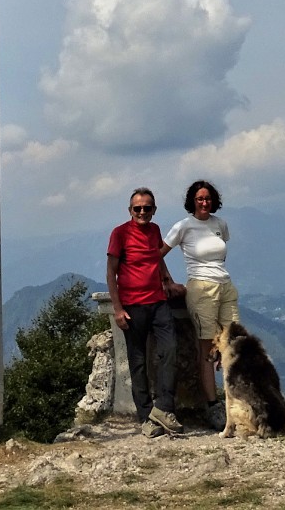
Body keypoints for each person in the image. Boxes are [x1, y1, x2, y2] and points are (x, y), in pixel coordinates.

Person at [106, 187, 187, 437]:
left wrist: (169, 281)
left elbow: (157, 258)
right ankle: (145, 419)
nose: (142, 212)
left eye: (147, 208)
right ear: (130, 210)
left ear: (154, 209)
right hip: (132, 306)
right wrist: (117, 308)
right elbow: (111, 272)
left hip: (158, 301)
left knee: (170, 350)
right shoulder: (119, 233)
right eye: (137, 208)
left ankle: (163, 408)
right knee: (138, 361)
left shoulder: (154, 230)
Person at [162, 179, 237, 430]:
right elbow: (156, 253)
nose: (204, 203)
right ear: (192, 202)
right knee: (207, 348)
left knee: (232, 343)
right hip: (201, 287)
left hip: (225, 285)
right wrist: (168, 281)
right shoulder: (184, 226)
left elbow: (220, 254)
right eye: (199, 199)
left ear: (214, 200)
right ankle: (212, 406)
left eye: (207, 198)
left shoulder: (220, 225)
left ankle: (233, 402)